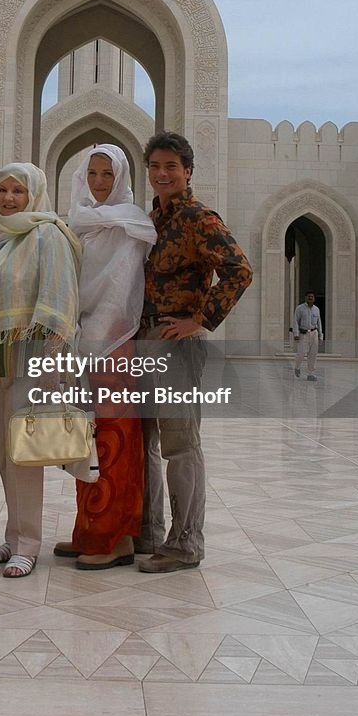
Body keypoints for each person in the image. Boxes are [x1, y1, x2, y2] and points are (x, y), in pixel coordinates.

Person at [137, 130, 253, 573]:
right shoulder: (156, 219)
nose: (162, 174)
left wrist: (199, 322)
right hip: (144, 340)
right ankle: (148, 531)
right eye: (155, 166)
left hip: (175, 346)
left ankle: (185, 542)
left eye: (171, 166)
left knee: (180, 444)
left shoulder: (198, 219)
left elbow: (239, 271)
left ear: (187, 172)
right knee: (145, 441)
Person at [0, 163, 80, 578]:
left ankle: (29, 543)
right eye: (3, 190)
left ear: (34, 194)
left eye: (19, 191)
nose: (10, 198)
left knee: (24, 453)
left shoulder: (47, 234)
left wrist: (51, 357)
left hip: (30, 356)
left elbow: (60, 292)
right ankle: (15, 536)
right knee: (4, 454)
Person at [53, 145, 157, 570]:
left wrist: (99, 336)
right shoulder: (75, 220)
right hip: (80, 345)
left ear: (121, 178)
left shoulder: (132, 224)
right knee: (85, 438)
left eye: (107, 175)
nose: (98, 182)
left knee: (114, 442)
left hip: (113, 347)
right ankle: (89, 531)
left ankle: (116, 538)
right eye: (92, 173)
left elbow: (122, 290)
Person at [293, 291, 323, 381]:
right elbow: (295, 321)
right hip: (303, 333)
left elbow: (319, 322)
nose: (310, 298)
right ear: (305, 297)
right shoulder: (300, 308)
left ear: (314, 299)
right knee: (301, 353)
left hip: (314, 333)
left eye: (312, 297)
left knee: (313, 354)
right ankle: (297, 367)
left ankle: (310, 374)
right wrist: (296, 334)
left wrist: (320, 335)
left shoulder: (316, 309)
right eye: (309, 296)